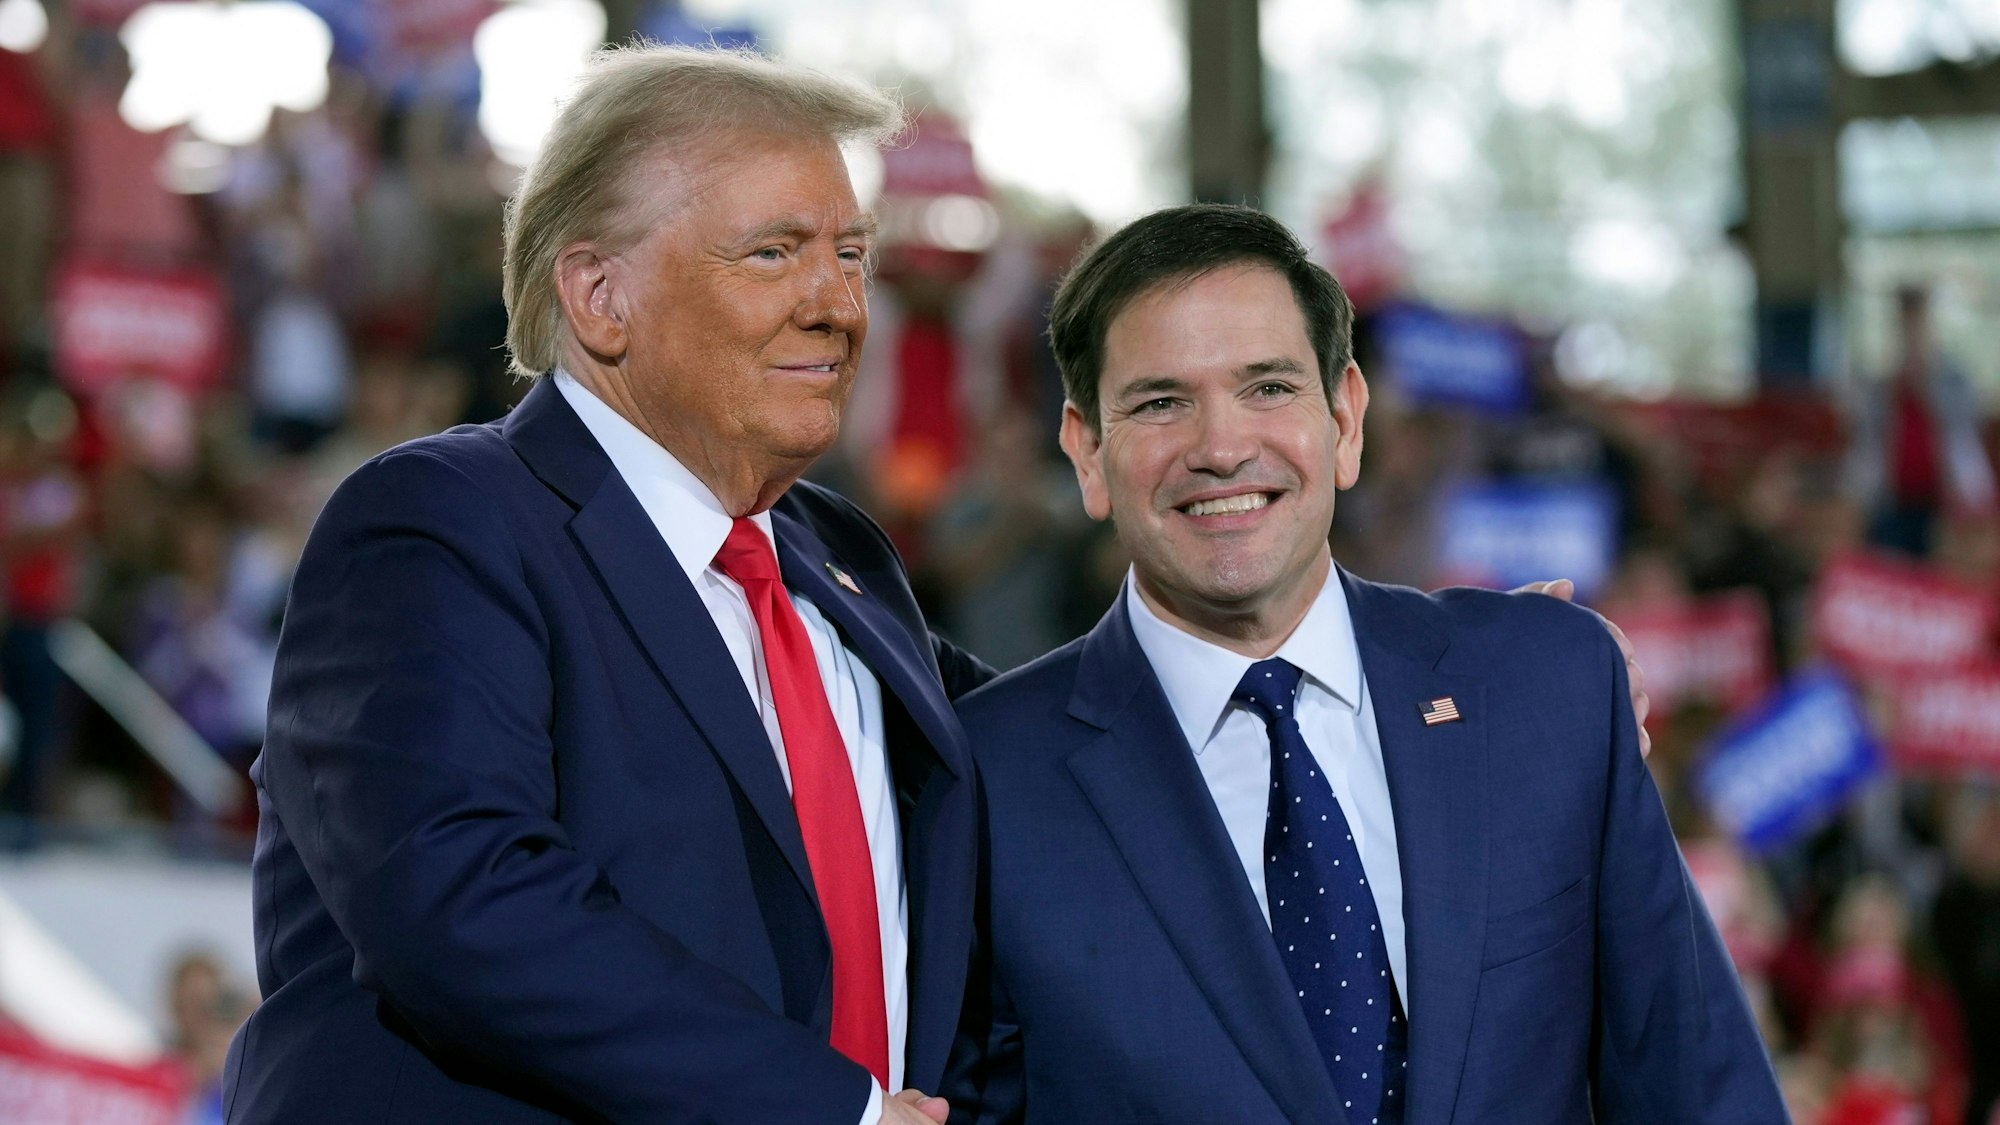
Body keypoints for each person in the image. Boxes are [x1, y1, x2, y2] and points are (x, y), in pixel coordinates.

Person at [223, 47, 985, 1124]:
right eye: (772, 253)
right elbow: (461, 896)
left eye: (849, 252)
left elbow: (1033, 760)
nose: (837, 304)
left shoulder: (840, 559)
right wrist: (829, 1111)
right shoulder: (440, 521)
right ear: (598, 296)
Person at [943, 204, 1783, 1124]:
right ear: (1087, 452)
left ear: (1344, 421)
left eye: (1267, 388)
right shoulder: (985, 781)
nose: (1222, 447)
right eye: (1161, 402)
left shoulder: (1550, 687)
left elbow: (1700, 1091)